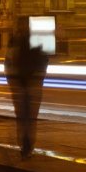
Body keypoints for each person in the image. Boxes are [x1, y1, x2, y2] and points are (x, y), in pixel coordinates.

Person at [4, 19, 50, 160]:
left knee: (25, 116)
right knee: (27, 116)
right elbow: (44, 60)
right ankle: (26, 145)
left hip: (27, 82)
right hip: (26, 82)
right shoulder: (21, 40)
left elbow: (8, 60)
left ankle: (26, 145)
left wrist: (11, 78)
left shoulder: (17, 41)